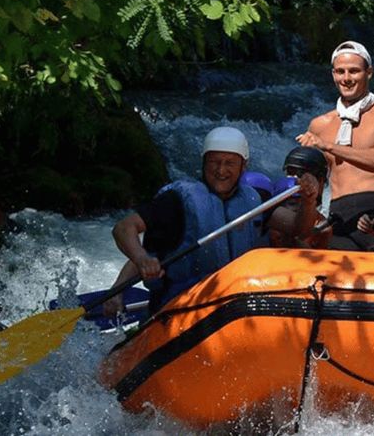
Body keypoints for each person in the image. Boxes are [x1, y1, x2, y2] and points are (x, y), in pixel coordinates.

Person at [105, 127, 318, 316]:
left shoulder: (255, 200)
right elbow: (124, 228)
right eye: (214, 162)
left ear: (243, 166)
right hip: (181, 307)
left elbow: (298, 228)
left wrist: (309, 202)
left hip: (235, 307)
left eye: (229, 163)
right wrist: (142, 259)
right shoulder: (177, 201)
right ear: (203, 162)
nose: (221, 170)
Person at [296, 40, 374, 251]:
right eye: (340, 72)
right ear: (333, 75)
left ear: (369, 72)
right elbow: (314, 188)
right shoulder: (319, 125)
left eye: (354, 71)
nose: (346, 79)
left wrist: (328, 146)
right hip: (337, 218)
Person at [268, 146, 332, 249]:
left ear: (320, 181)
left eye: (301, 174)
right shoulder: (269, 208)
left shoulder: (322, 226)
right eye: (290, 173)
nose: (295, 179)